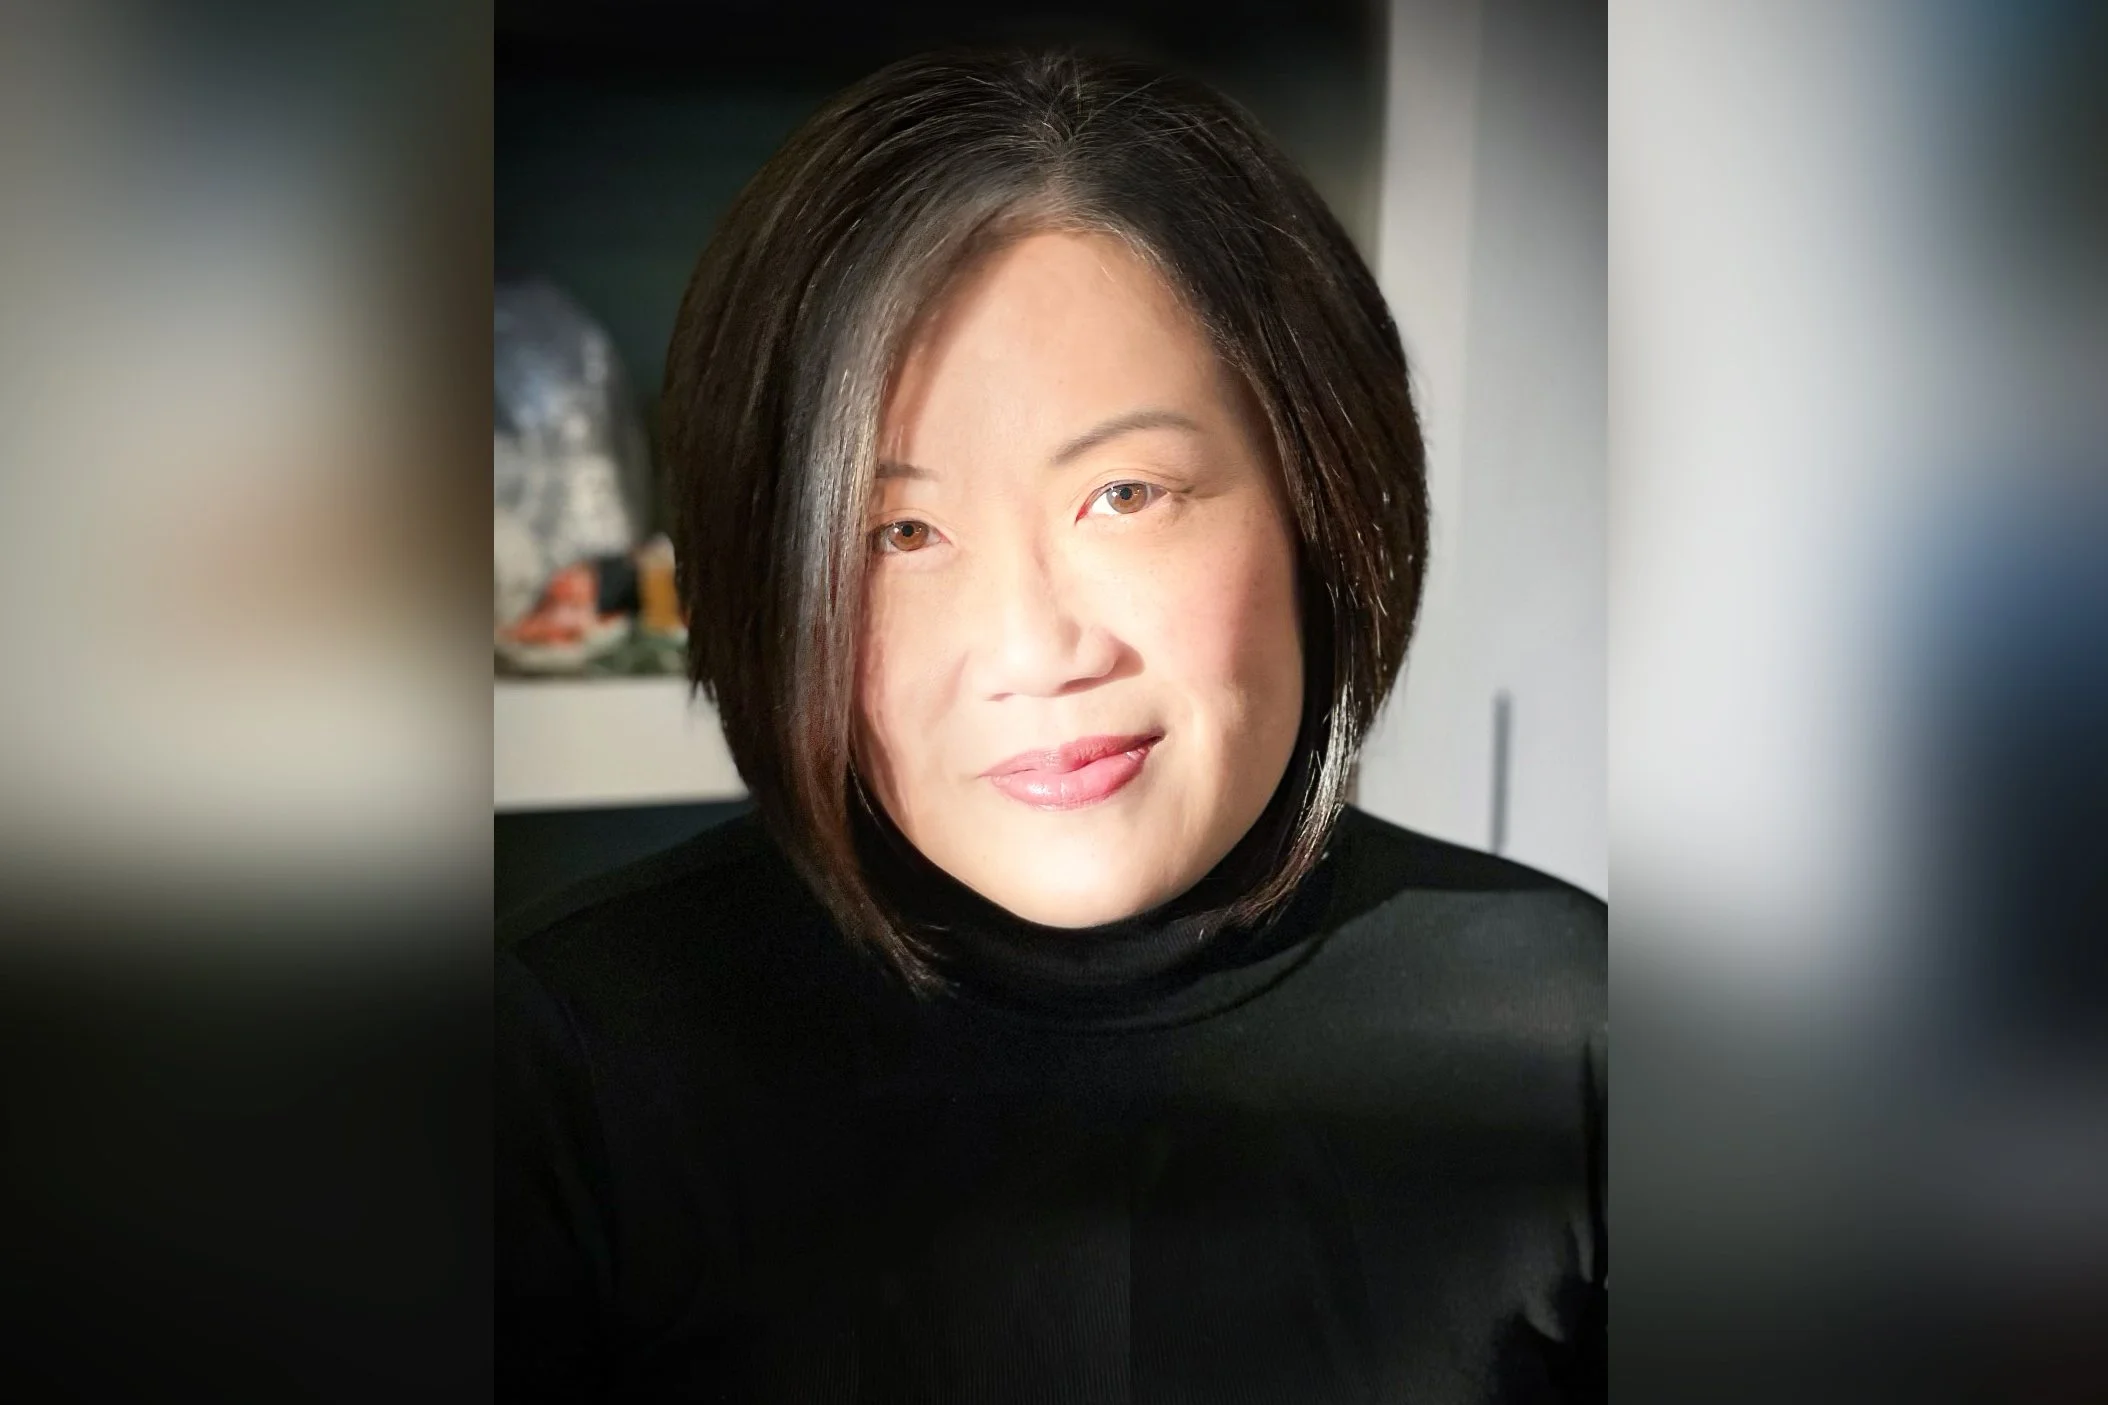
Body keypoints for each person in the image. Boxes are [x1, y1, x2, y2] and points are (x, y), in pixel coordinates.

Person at [497, 47, 1605, 1403]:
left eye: (1127, 494)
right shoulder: (563, 1065)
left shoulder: (1584, 1035)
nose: (1035, 649)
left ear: (1322, 489)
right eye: (899, 532)